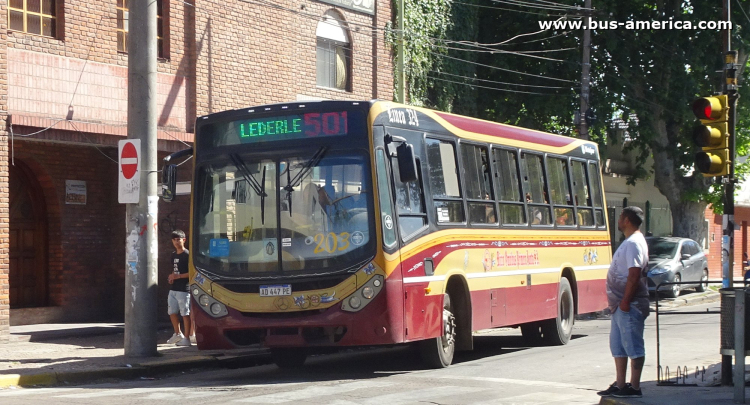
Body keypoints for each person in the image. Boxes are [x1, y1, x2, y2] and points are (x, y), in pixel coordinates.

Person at [598, 206, 649, 399]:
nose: (618, 220)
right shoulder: (629, 242)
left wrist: (626, 300)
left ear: (627, 220)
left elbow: (634, 274)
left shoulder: (634, 243)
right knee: (618, 347)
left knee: (633, 346)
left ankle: (635, 387)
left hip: (629, 304)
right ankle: (620, 384)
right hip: (619, 304)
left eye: (620, 217)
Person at [166, 229, 192, 347]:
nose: (176, 242)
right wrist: (172, 277)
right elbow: (174, 269)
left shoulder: (187, 255)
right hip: (174, 288)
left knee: (185, 313)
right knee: (172, 311)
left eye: (178, 240)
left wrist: (178, 276)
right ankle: (178, 333)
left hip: (184, 288)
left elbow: (192, 272)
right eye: (174, 240)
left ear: (184, 240)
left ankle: (187, 338)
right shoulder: (173, 255)